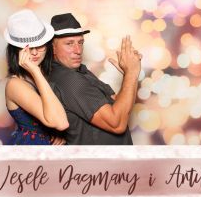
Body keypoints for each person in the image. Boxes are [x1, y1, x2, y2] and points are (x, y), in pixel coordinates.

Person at [49, 13, 141, 145]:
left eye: (80, 42)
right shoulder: (71, 81)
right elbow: (117, 124)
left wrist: (131, 75)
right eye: (69, 44)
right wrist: (131, 74)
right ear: (52, 48)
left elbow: (119, 106)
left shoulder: (80, 72)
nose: (78, 50)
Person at [4, 9, 69, 144]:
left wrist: (55, 133)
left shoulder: (47, 74)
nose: (34, 52)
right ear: (15, 50)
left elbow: (57, 119)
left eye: (39, 45)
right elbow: (61, 123)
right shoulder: (15, 85)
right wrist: (35, 71)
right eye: (27, 48)